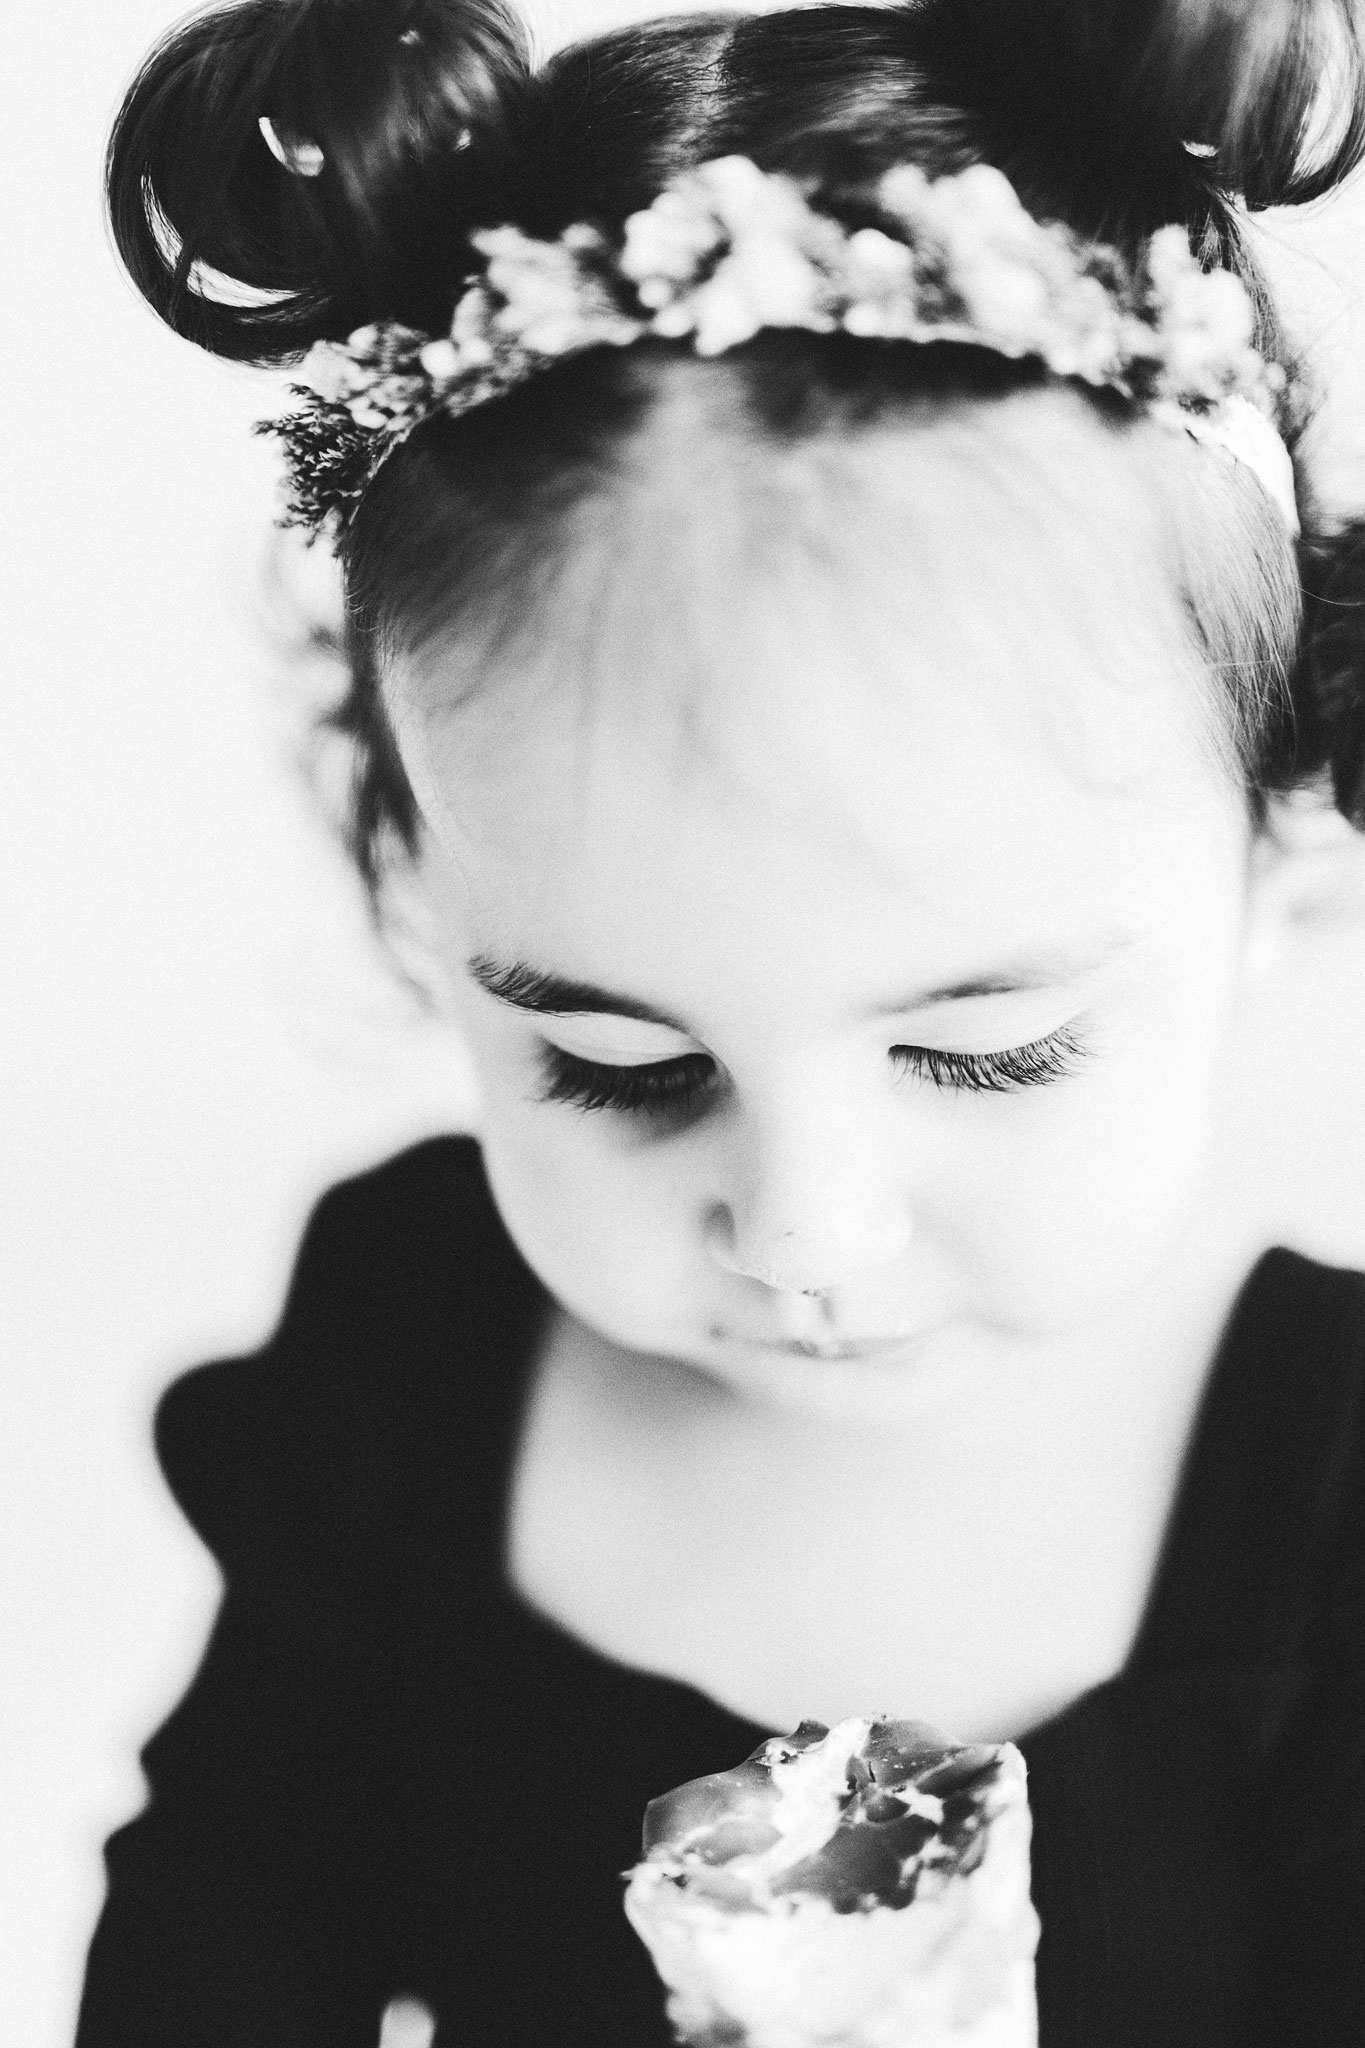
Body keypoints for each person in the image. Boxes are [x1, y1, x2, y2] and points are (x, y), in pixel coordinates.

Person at [80, 0, 1365, 2042]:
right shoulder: (411, 1349)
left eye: (980, 1049)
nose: (801, 1228)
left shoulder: (1326, 1496)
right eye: (619, 1067)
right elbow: (219, 1919)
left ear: (1276, 864)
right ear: (419, 893)